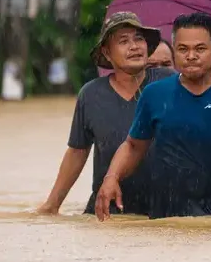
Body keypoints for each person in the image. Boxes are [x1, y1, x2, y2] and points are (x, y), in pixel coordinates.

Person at [95, 12, 211, 220]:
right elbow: (133, 146)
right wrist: (111, 178)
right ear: (174, 51)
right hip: (166, 222)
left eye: (200, 49)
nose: (191, 56)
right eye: (183, 49)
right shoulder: (154, 95)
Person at [36, 12, 173, 216]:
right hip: (108, 211)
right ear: (107, 53)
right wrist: (51, 206)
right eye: (123, 41)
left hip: (162, 210)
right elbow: (77, 152)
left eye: (138, 38)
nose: (134, 46)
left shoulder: (170, 83)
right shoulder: (91, 95)